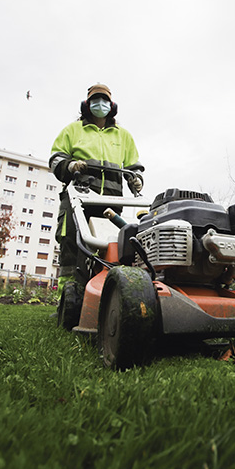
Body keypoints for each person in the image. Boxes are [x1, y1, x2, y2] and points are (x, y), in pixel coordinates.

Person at [49, 83, 144, 305]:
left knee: (108, 249)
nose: (99, 105)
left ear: (112, 106)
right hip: (78, 198)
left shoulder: (123, 136)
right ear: (87, 104)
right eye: (95, 100)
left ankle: (101, 298)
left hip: (110, 202)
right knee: (73, 249)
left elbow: (134, 166)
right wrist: (70, 166)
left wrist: (136, 180)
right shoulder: (73, 130)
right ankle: (68, 301)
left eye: (103, 100)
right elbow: (55, 159)